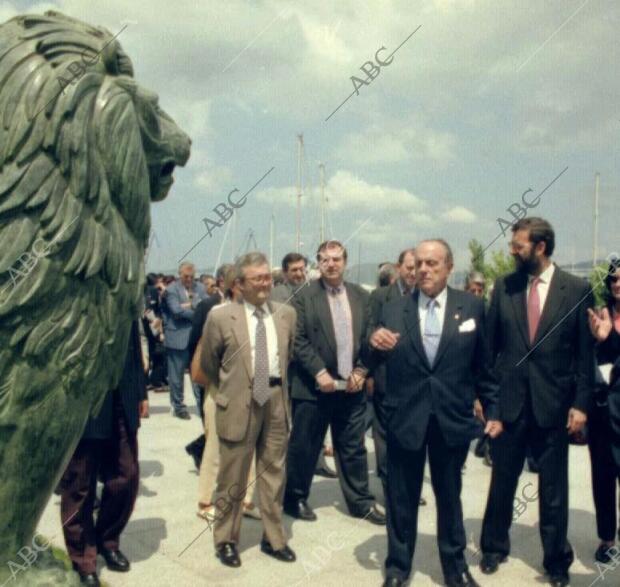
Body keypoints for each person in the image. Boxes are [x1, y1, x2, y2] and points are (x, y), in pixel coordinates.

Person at [369, 239, 501, 587]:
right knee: (401, 499)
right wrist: (373, 341)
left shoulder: (472, 308)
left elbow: (485, 368)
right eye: (419, 264)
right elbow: (369, 358)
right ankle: (397, 568)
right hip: (405, 418)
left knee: (449, 497)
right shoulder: (393, 309)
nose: (424, 270)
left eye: (433, 264)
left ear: (449, 268)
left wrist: (494, 411)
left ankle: (455, 568)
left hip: (451, 419)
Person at [479, 217, 594, 587]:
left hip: (555, 407)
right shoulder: (505, 287)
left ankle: (557, 561)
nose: (512, 251)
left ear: (540, 247)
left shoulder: (576, 289)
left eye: (518, 245)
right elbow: (489, 353)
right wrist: (491, 407)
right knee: (502, 483)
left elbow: (583, 356)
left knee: (554, 490)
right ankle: (493, 548)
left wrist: (581, 405)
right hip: (510, 408)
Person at [201, 252, 297, 568]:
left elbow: (289, 357)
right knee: (233, 476)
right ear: (240, 284)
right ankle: (225, 539)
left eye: (267, 277)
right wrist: (234, 388)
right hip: (239, 401)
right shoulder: (220, 317)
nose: (265, 284)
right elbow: (209, 365)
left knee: (273, 474)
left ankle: (274, 538)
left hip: (274, 400)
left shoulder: (286, 315)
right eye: (257, 278)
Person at [284, 240, 385, 525]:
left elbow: (370, 338)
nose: (331, 264)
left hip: (350, 387)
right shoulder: (303, 296)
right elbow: (299, 340)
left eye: (337, 259)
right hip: (313, 386)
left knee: (352, 447)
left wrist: (362, 370)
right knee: (305, 445)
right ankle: (295, 497)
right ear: (318, 262)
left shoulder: (361, 296)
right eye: (325, 259)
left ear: (345, 262)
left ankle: (360, 502)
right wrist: (319, 372)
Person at [59, 321, 149, 586]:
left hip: (123, 395)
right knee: (80, 484)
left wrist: (141, 391)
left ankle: (107, 539)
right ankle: (83, 558)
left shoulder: (124, 287)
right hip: (85, 400)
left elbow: (134, 346)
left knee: (127, 474)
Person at [367, 248, 426, 506]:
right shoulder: (381, 297)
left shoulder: (426, 295)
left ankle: (410, 486)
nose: (413, 273)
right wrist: (368, 371)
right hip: (385, 376)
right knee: (385, 436)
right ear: (399, 267)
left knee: (413, 437)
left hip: (417, 381)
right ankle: (390, 487)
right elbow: (366, 331)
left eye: (418, 267)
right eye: (409, 267)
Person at [270, 252, 337, 479]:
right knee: (289, 419)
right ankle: (287, 465)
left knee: (316, 417)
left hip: (311, 364)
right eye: (294, 270)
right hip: (287, 365)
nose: (299, 273)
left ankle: (318, 461)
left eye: (302, 269)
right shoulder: (277, 294)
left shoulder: (314, 291)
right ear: (285, 273)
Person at [587, 257, 620, 564]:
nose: (618, 284)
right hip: (603, 413)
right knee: (603, 478)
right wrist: (600, 339)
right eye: (614, 279)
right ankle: (607, 538)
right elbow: (590, 362)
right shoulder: (601, 315)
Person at [161, 261, 207, 419]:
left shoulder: (200, 287)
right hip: (177, 338)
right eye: (186, 276)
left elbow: (206, 305)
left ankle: (202, 405)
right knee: (176, 376)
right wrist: (196, 308)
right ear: (179, 274)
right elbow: (176, 311)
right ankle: (178, 406)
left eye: (192, 277)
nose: (189, 279)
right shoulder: (171, 290)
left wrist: (189, 305)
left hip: (196, 338)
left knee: (198, 374)